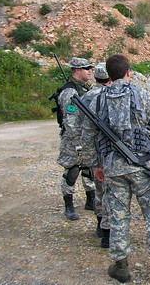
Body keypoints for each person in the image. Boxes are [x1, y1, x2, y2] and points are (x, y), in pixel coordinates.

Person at [80, 54, 150, 284]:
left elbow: (87, 136)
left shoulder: (96, 100)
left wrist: (95, 165)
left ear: (108, 75)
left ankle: (121, 266)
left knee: (119, 216)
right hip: (143, 167)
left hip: (113, 169)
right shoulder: (143, 95)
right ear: (128, 72)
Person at [56, 56, 95, 221]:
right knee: (72, 170)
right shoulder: (69, 92)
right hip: (74, 140)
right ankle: (69, 205)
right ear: (78, 70)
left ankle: (91, 199)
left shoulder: (84, 89)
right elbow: (70, 121)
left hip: (86, 137)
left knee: (89, 169)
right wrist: (79, 142)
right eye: (87, 69)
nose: (90, 72)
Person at [80, 62, 112, 248]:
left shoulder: (86, 97)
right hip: (109, 150)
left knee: (99, 189)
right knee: (112, 191)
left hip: (94, 149)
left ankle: (101, 225)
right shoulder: (110, 96)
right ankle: (109, 230)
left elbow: (82, 128)